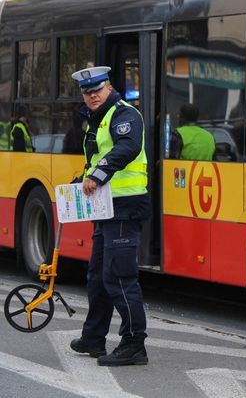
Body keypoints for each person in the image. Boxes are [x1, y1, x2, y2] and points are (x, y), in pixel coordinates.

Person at [68, 66, 150, 367]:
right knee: (98, 277)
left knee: (119, 276)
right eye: (87, 92)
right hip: (105, 208)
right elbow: (96, 160)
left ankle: (133, 343)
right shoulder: (97, 120)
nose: (92, 95)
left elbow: (127, 147)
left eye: (97, 90)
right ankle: (93, 337)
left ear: (109, 87)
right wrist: (80, 183)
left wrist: (100, 174)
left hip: (125, 207)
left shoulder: (124, 114)